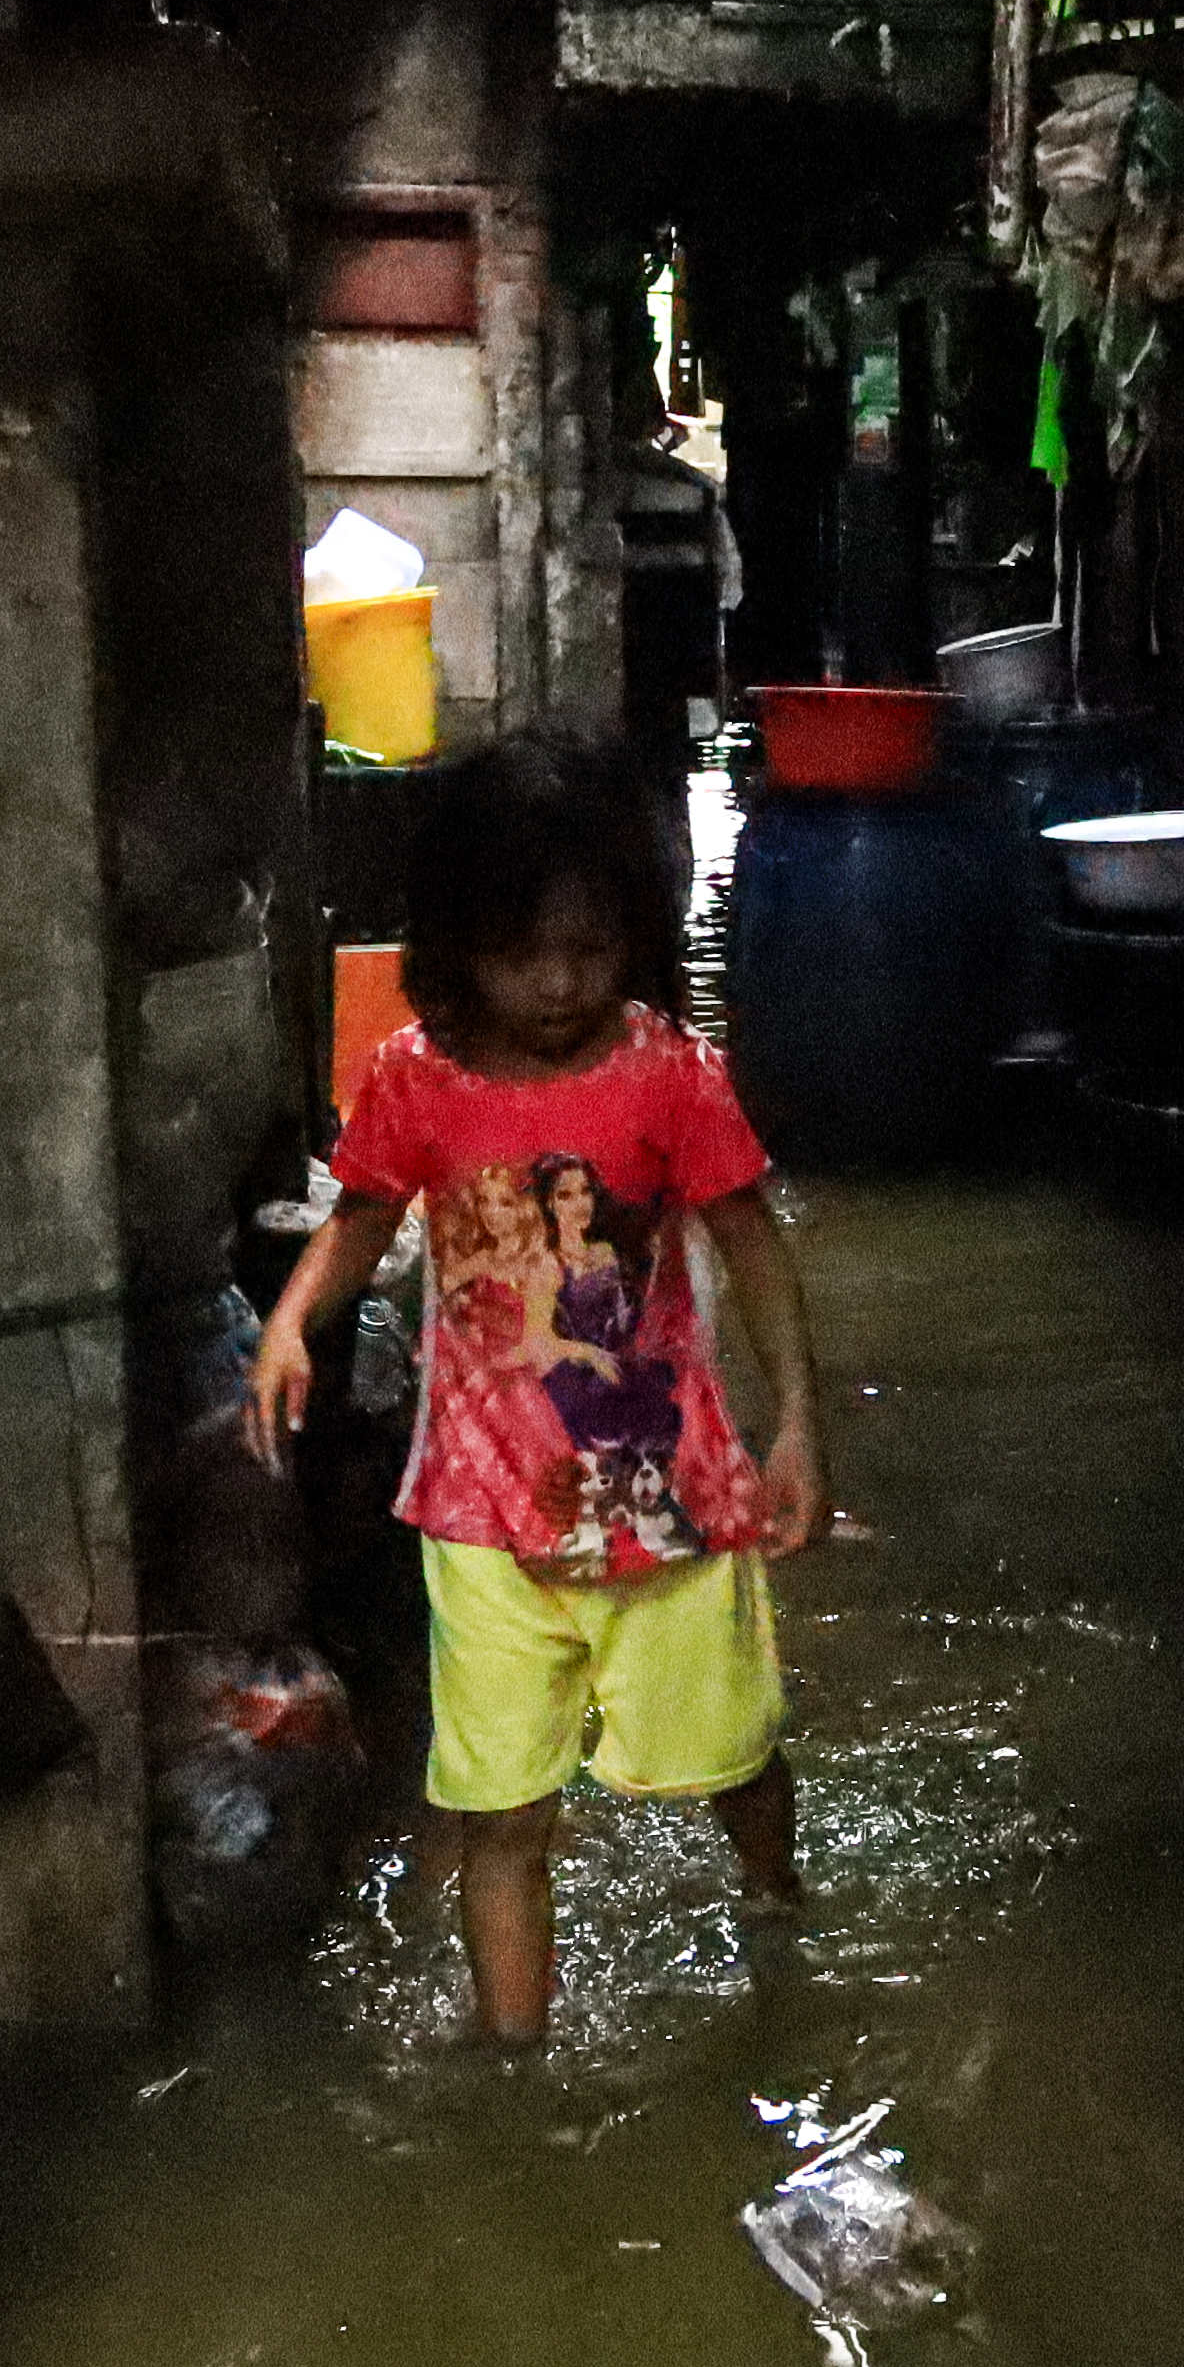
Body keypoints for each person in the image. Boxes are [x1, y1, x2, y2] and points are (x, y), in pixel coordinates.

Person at [248, 735, 824, 2042]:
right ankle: (518, 2068)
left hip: (663, 1498)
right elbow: (361, 1216)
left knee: (727, 1765)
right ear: (458, 946)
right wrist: (291, 1318)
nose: (559, 983)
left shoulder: (668, 1075)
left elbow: (751, 1242)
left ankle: (779, 1908)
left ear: (635, 936)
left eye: (590, 948)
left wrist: (795, 1426)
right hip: (480, 1508)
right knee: (502, 1812)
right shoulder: (415, 1081)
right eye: (523, 954)